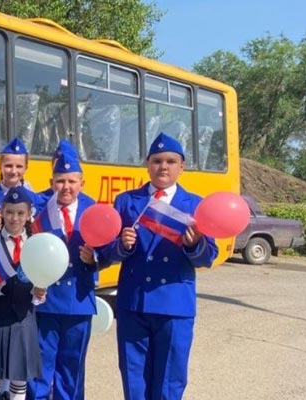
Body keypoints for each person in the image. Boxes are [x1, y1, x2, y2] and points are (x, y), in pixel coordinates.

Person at [98, 133, 217, 400]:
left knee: (169, 382)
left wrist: (193, 245)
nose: (163, 167)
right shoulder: (127, 201)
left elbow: (208, 256)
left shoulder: (196, 205)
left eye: (171, 161)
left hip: (174, 305)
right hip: (134, 303)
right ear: (147, 165)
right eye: (157, 161)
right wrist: (122, 245)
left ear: (181, 166)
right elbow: (106, 251)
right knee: (134, 378)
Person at [28, 140, 98, 400]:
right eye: (60, 181)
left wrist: (95, 258)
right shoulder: (38, 207)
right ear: (51, 182)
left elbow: (106, 247)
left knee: (72, 368)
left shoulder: (93, 209)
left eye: (71, 181)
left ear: (82, 183)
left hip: (78, 299)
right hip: (45, 299)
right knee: (40, 366)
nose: (66, 187)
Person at [0, 186, 45, 400]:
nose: (15, 218)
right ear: (2, 213)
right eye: (10, 212)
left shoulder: (34, 244)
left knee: (20, 375)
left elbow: (42, 275)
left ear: (29, 214)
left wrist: (40, 292)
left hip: (24, 315)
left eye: (20, 213)